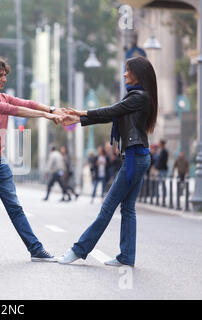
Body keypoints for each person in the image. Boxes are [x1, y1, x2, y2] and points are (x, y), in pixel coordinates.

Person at [57, 56, 158, 267]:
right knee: (128, 208)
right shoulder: (136, 96)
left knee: (108, 207)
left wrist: (82, 112)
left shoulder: (139, 97)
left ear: (137, 74)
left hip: (135, 158)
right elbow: (111, 116)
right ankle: (126, 256)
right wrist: (78, 119)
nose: (124, 74)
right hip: (137, 156)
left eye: (127, 70)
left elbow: (112, 111)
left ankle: (79, 250)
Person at [0, 55, 64, 262]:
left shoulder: (3, 97)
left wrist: (52, 109)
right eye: (0, 76)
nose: (4, 80)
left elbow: (26, 102)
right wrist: (47, 117)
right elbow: (13, 110)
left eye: (4, 75)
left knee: (15, 207)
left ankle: (36, 249)